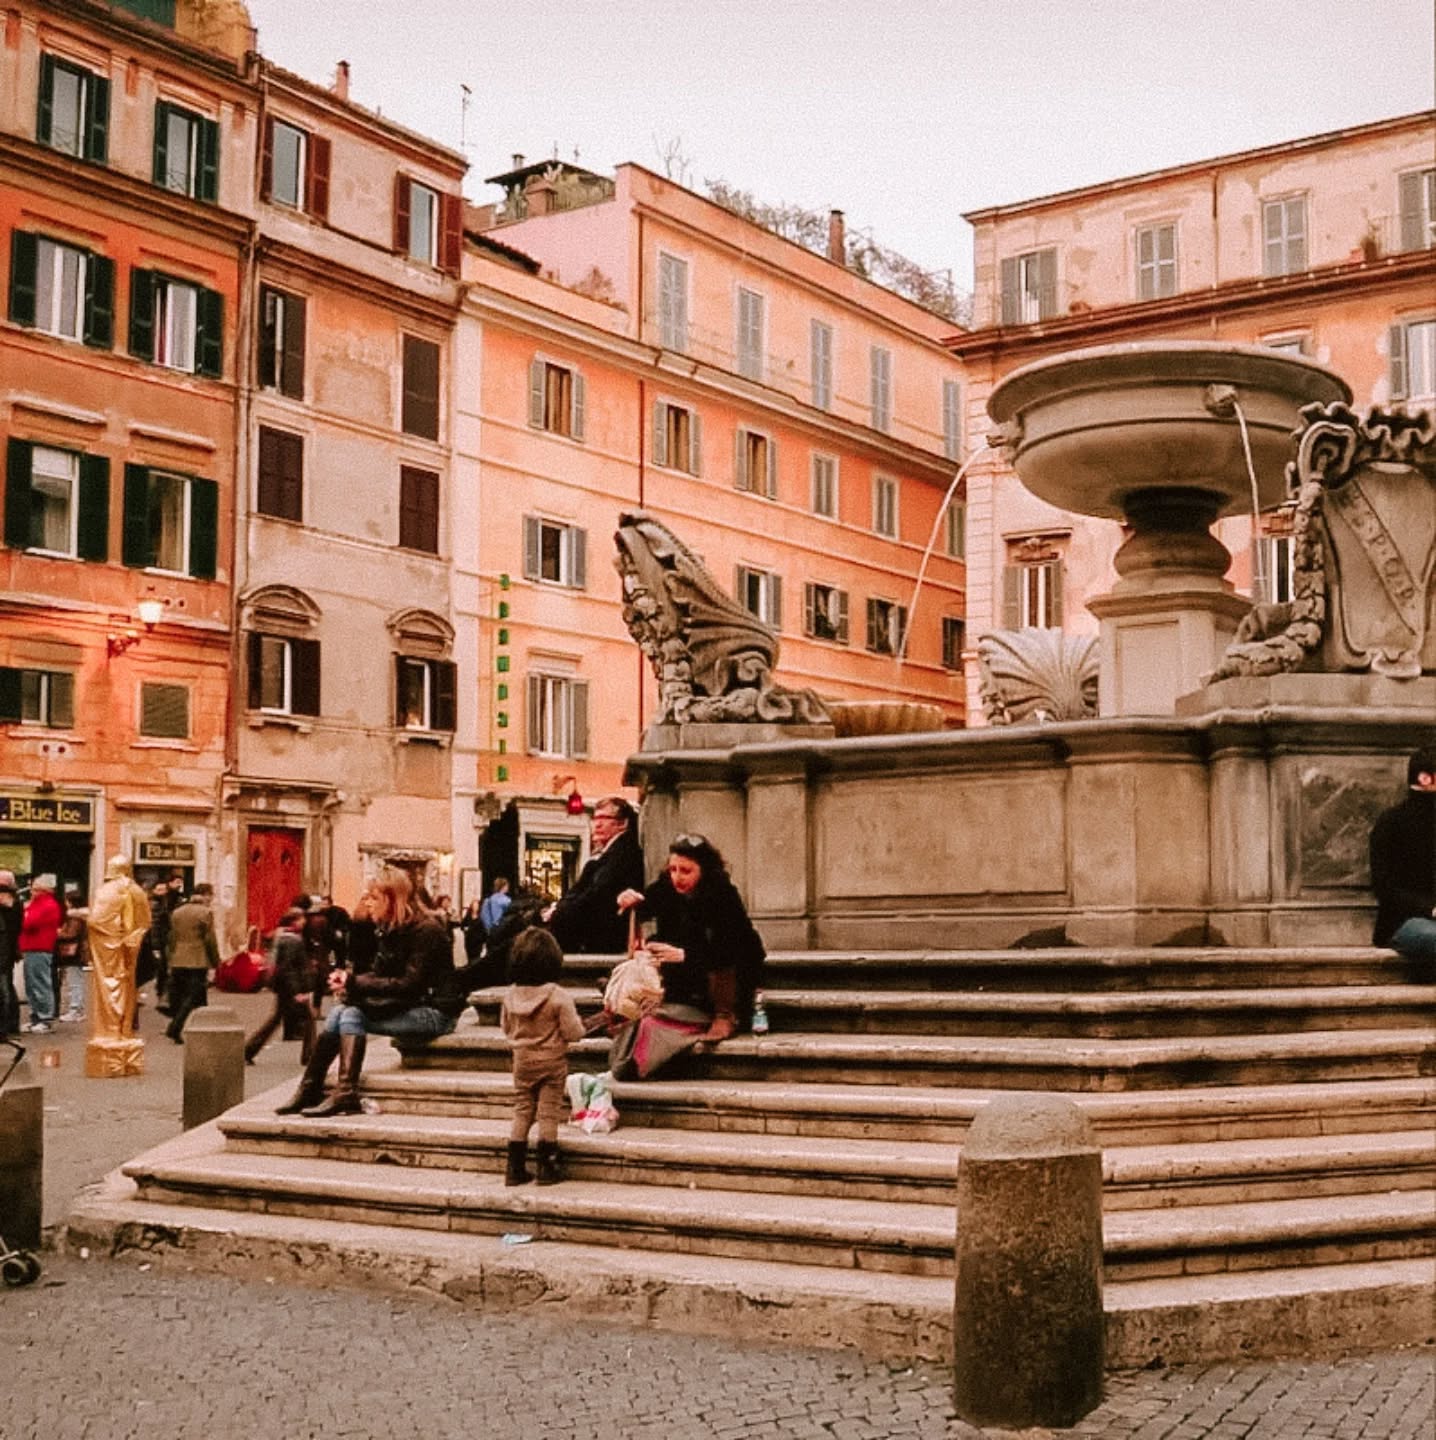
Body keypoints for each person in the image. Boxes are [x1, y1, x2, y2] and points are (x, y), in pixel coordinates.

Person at [276, 869, 462, 1118]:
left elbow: (410, 984)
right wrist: (349, 981)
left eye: (373, 898)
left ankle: (345, 1092)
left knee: (352, 1014)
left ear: (391, 899)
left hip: (435, 1013)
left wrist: (355, 983)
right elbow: (379, 974)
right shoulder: (391, 929)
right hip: (410, 1004)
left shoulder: (426, 931)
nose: (368, 904)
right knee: (339, 1012)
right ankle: (310, 1087)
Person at [610, 834, 765, 1080]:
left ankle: (725, 1015)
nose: (677, 877)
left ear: (703, 870)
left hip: (724, 981)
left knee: (654, 1024)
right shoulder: (666, 887)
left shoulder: (723, 895)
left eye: (685, 871)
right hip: (684, 984)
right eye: (672, 869)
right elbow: (645, 904)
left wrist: (685, 955)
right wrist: (630, 900)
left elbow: (735, 949)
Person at [500, 927, 583, 1186]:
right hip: (552, 1064)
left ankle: (514, 1168)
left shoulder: (509, 996)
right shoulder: (558, 996)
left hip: (521, 1062)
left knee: (523, 1109)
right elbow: (573, 1032)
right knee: (548, 1112)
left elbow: (505, 1027)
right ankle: (547, 1167)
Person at [545, 798, 644, 953]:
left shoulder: (623, 853)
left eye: (604, 818)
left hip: (605, 942)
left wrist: (560, 912)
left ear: (622, 823)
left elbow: (597, 895)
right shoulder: (608, 854)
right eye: (595, 818)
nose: (597, 825)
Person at [85, 855, 152, 1078]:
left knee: (107, 988)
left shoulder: (108, 890)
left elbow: (95, 920)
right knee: (127, 987)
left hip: (108, 947)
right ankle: (123, 1032)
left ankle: (110, 1032)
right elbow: (144, 923)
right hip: (128, 947)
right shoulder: (137, 890)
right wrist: (131, 939)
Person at [1370, 747, 1436, 960]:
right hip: (1405, 921)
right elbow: (1384, 887)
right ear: (1425, 778)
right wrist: (1431, 909)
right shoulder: (1391, 822)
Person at [244, 909, 315, 1064]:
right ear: (294, 921)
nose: (304, 922)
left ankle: (249, 1050)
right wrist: (297, 991)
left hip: (284, 986)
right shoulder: (292, 940)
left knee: (276, 1020)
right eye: (301, 919)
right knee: (308, 1019)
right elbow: (289, 968)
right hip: (290, 988)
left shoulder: (282, 937)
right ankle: (309, 1055)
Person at [165, 883, 220, 1042]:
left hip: (178, 959)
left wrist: (171, 958)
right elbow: (210, 939)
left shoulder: (177, 912)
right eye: (211, 895)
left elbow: (172, 938)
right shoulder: (205, 912)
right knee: (193, 994)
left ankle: (202, 1028)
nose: (211, 899)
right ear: (206, 895)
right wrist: (215, 961)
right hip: (197, 958)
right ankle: (175, 1027)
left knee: (185, 995)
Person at [20, 874, 63, 1033]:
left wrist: (25, 911)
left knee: (40, 983)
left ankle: (45, 1018)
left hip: (40, 947)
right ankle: (35, 1017)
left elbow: (28, 922)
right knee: (32, 985)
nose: (31, 891)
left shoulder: (47, 905)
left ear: (44, 890)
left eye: (35, 889)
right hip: (31, 947)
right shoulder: (38, 904)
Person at [54, 887, 89, 1023]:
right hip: (79, 952)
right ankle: (77, 1009)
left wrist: (58, 933)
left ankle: (76, 1010)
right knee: (76, 981)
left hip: (74, 953)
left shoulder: (74, 918)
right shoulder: (81, 917)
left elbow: (71, 934)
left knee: (74, 982)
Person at [0, 870, 22, 1037]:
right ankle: (11, 1024)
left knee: (5, 988)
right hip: (8, 949)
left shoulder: (10, 902)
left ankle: (7, 1025)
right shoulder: (15, 901)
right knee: (7, 986)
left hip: (5, 950)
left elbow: (11, 928)